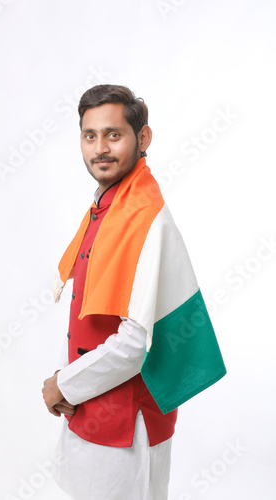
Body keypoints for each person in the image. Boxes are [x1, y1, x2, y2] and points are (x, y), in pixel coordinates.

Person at [42, 84, 226, 500]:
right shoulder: (107, 205)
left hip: (127, 424)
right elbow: (87, 311)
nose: (100, 148)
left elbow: (137, 342)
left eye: (114, 134)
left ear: (142, 138)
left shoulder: (143, 216)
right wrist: (62, 381)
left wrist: (62, 386)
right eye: (90, 136)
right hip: (91, 407)